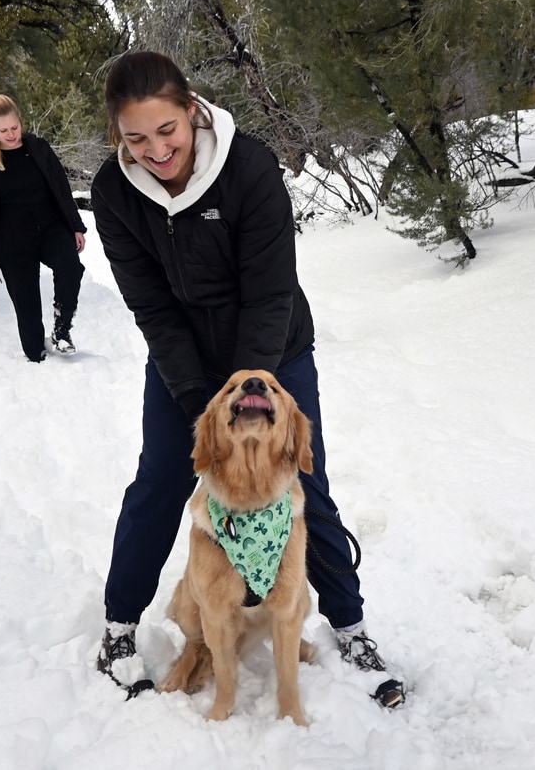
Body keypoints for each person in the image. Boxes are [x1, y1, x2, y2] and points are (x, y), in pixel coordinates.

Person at [88, 51, 405, 709]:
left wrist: (248, 394)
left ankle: (350, 625)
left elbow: (269, 293)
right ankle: (118, 627)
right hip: (184, 360)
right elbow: (153, 308)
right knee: (163, 478)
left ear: (192, 111)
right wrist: (202, 411)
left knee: (299, 480)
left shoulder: (249, 166)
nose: (155, 150)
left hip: (273, 347)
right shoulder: (115, 194)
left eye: (167, 131)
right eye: (135, 138)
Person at [0, 94, 87, 361]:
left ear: (21, 121)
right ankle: (37, 358)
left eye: (15, 127)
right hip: (10, 240)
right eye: (3, 130)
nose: (11, 134)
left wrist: (76, 226)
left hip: (50, 228)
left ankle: (62, 329)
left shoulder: (39, 148)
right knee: (27, 305)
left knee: (70, 267)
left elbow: (61, 188)